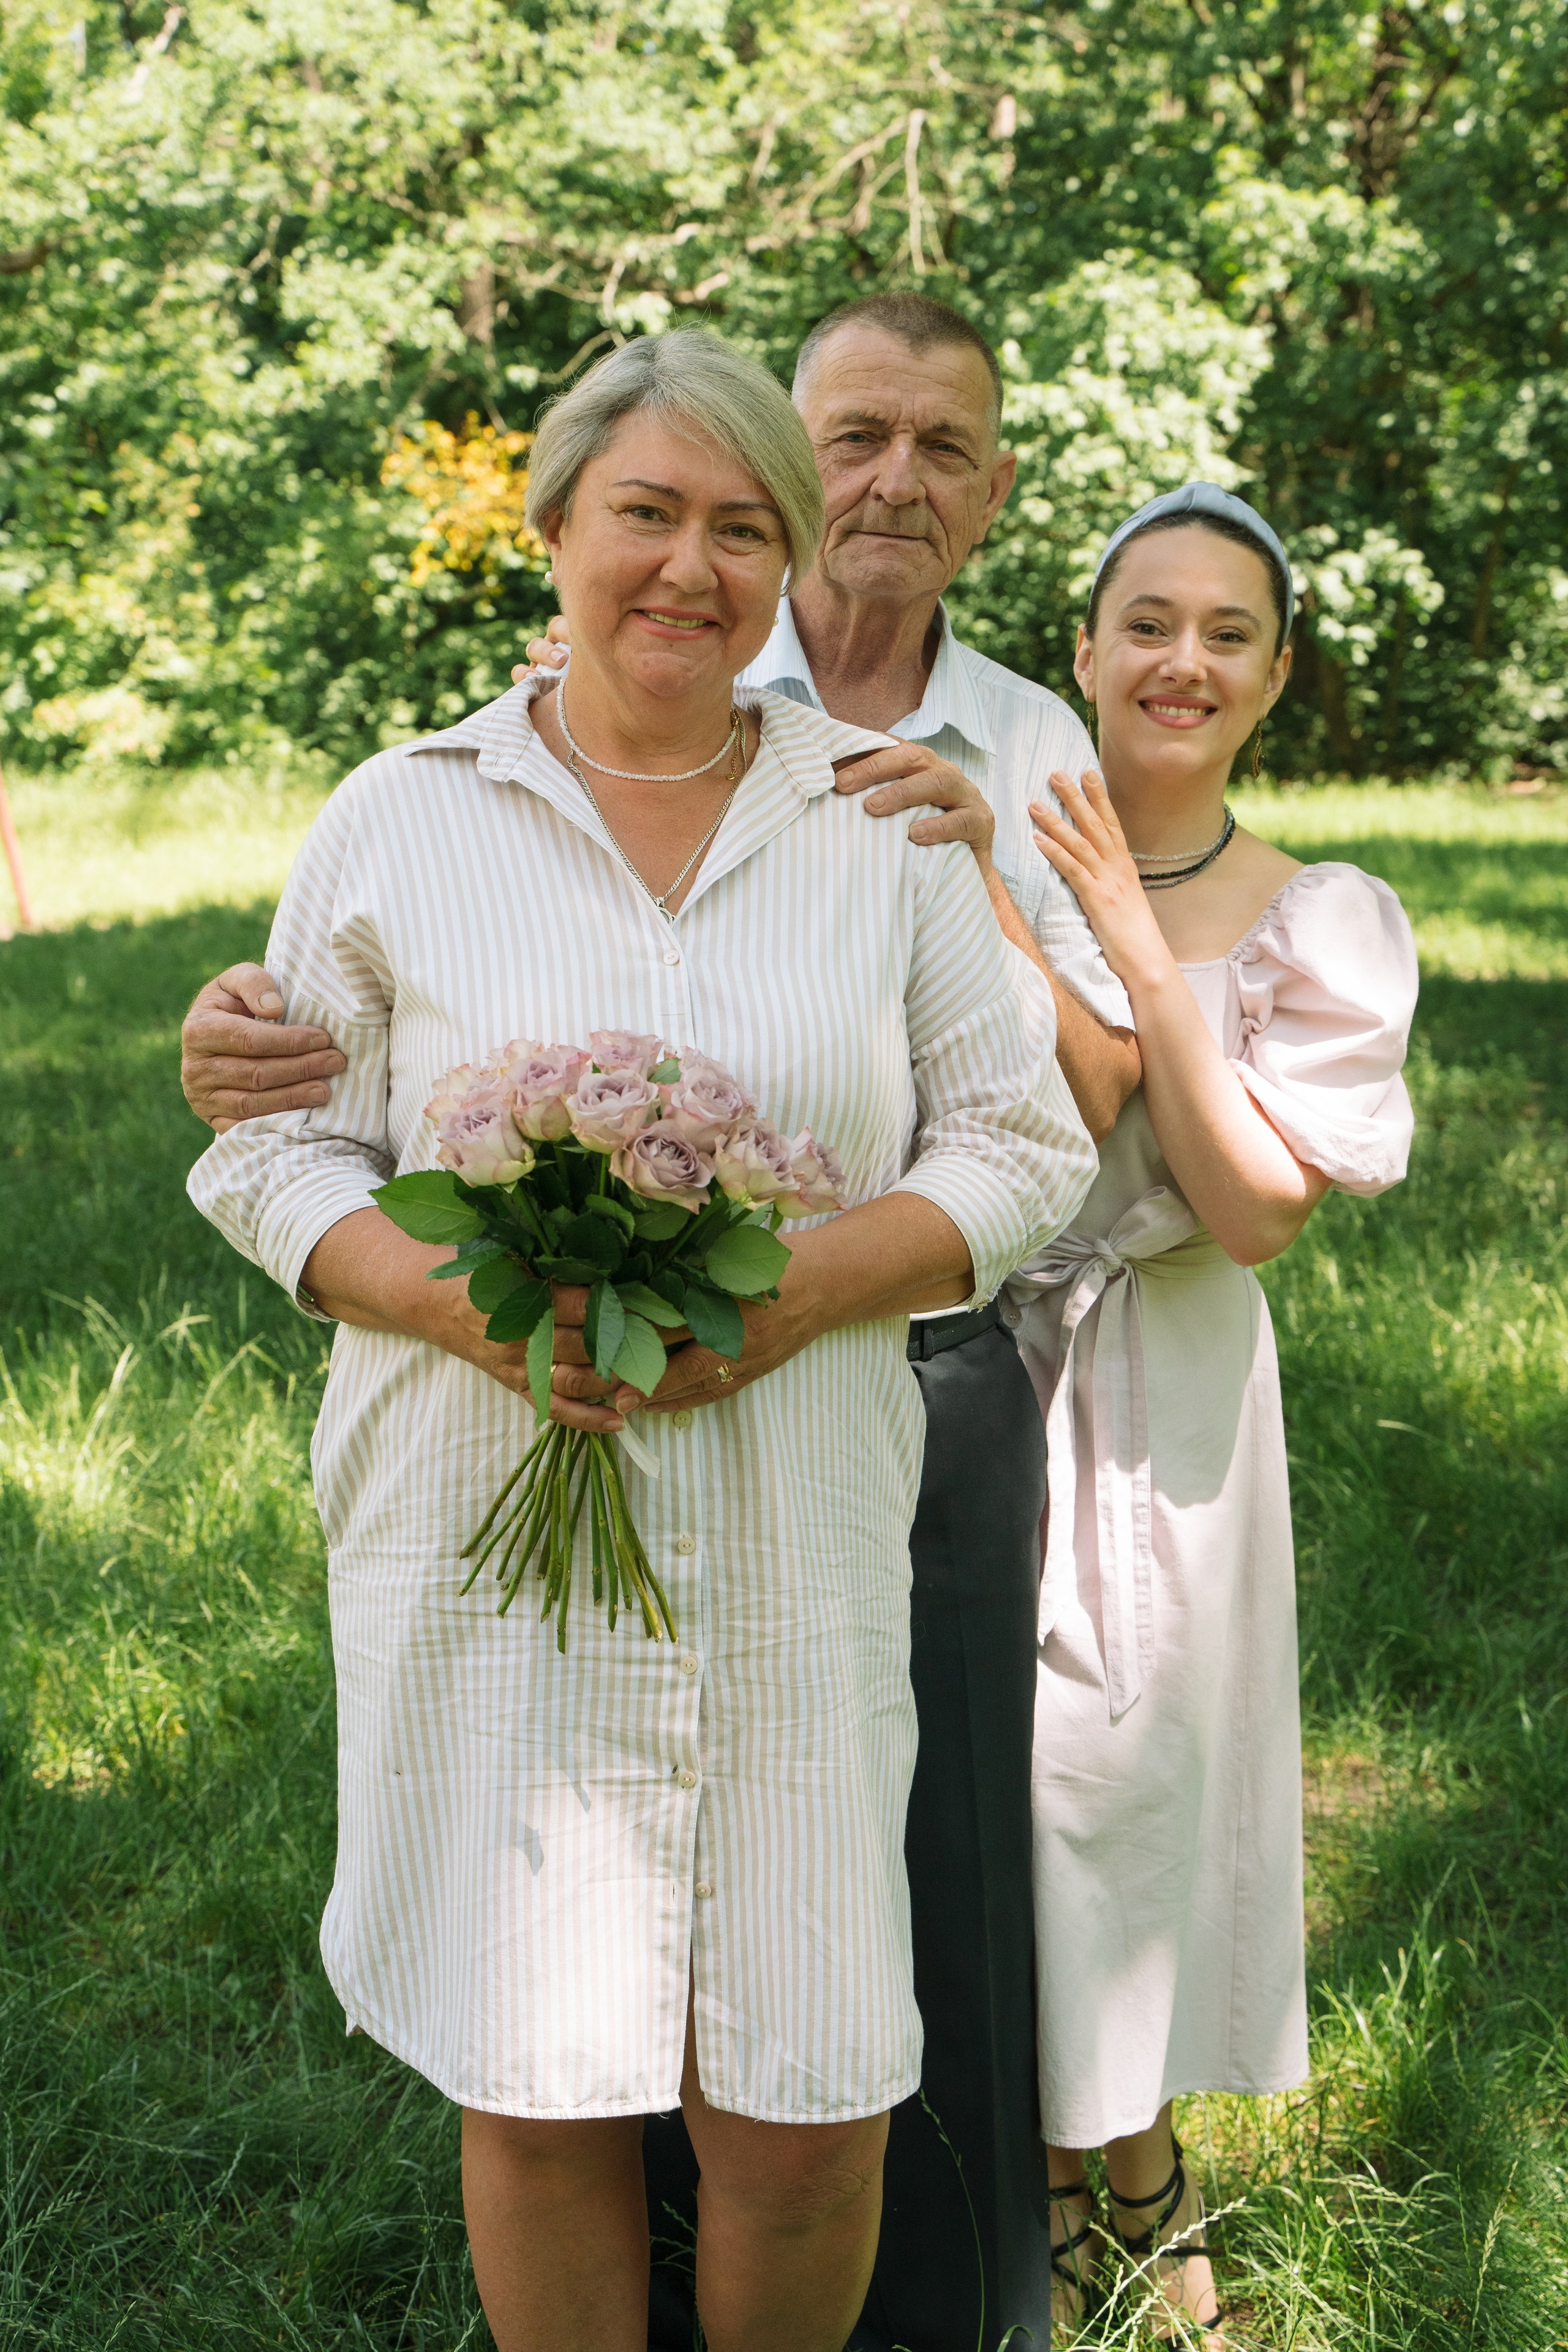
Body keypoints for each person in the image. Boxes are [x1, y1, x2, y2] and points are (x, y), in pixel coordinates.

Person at [181, 293, 1141, 2352]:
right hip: (490, 1535)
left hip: (799, 1544)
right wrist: (474, 1313)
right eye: (647, 512)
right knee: (543, 2091)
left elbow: (1026, 1145)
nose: (691, 567)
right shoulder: (402, 819)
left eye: (739, 527)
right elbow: (276, 1154)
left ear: (784, 560)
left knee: (807, 2110)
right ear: (550, 525)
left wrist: (798, 1292)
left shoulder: (874, 824)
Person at [1017, 484, 1418, 2340]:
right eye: (1147, 623)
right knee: (968, 1773)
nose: (1183, 660)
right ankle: (1019, 2169)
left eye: (1227, 633)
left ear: (1271, 679)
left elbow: (1254, 1208)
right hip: (960, 1355)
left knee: (1122, 1777)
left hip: (1162, 1378)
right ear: (1083, 649)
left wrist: (1123, 927)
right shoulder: (988, 836)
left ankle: (1142, 2169)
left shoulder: (1317, 914)